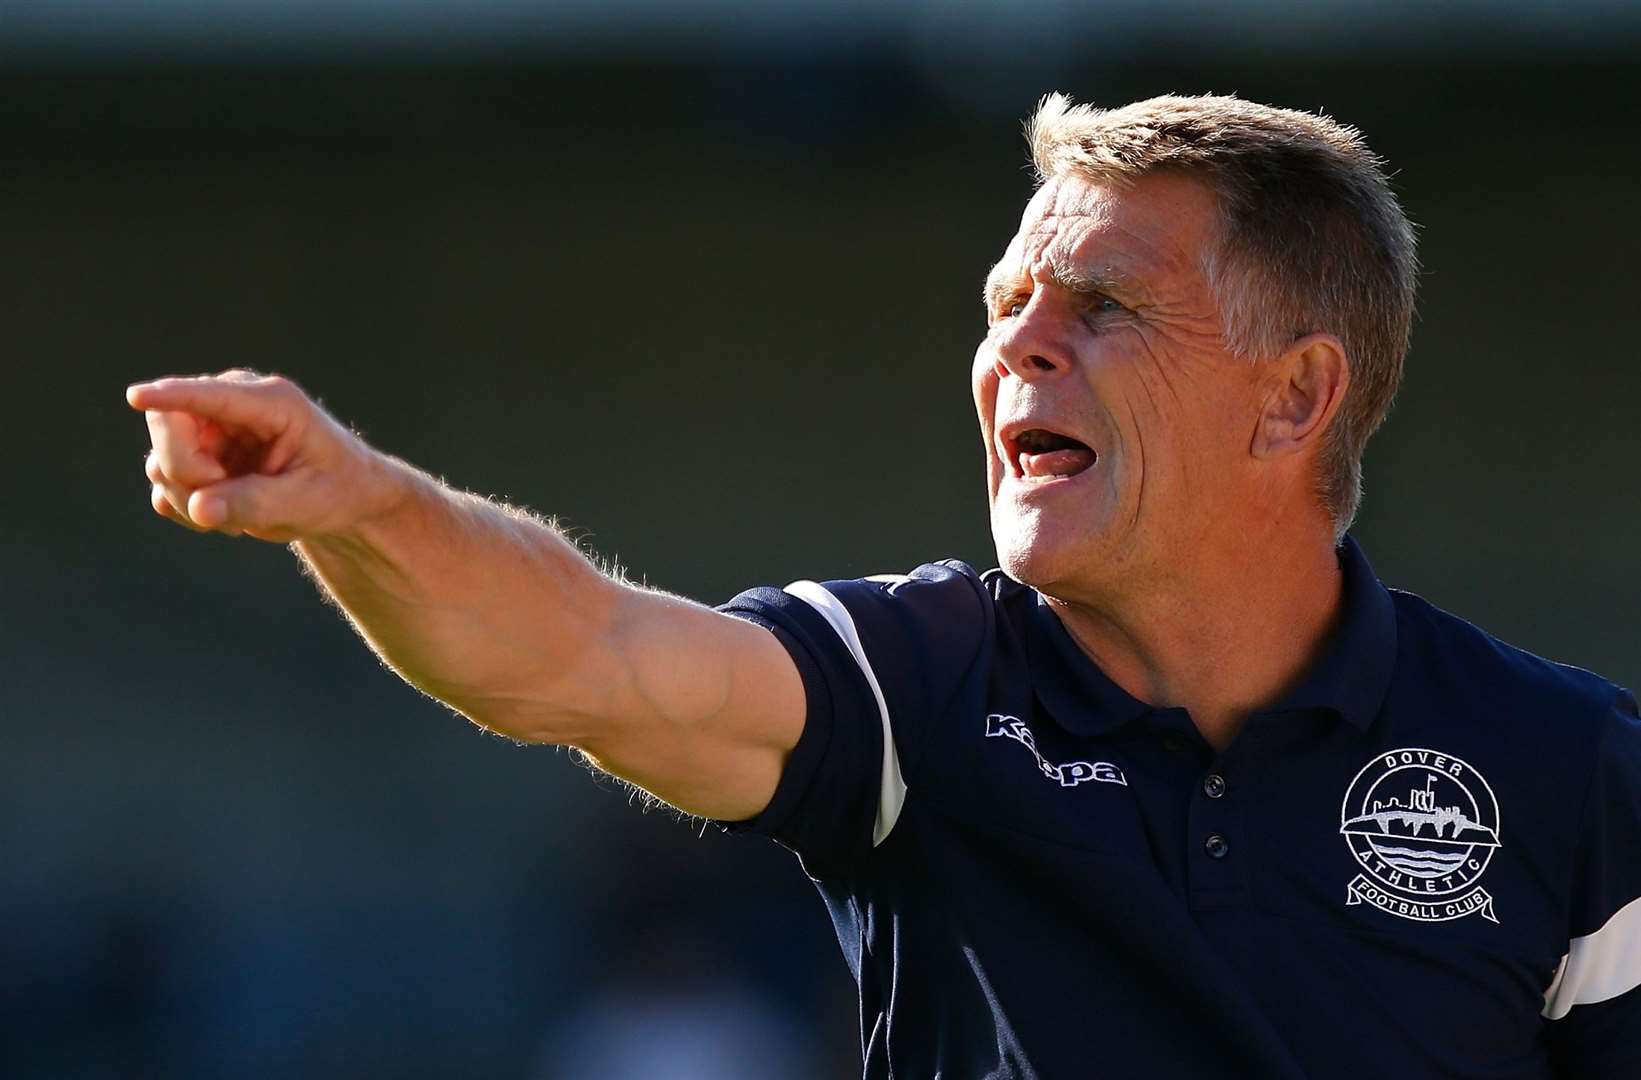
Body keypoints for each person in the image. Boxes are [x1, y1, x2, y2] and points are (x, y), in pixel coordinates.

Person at [128, 93, 1640, 1078]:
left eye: (1103, 306)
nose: (1016, 351)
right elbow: (579, 654)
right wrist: (369, 508)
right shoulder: (921, 680)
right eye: (1004, 307)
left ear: (1292, 399)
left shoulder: (1579, 776)